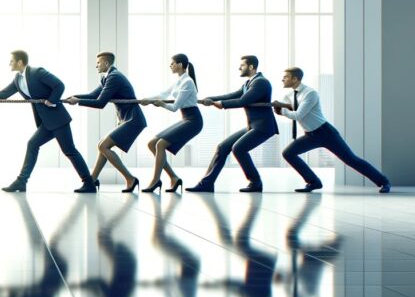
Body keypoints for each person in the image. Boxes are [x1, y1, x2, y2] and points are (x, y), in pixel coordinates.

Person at [0, 50, 96, 193]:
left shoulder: (37, 72)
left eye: (11, 61)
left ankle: (89, 183)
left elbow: (59, 85)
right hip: (46, 123)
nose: (9, 63)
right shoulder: (17, 79)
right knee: (32, 144)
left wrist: (51, 101)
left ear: (20, 62)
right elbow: (4, 94)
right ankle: (21, 182)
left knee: (69, 150)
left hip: (58, 120)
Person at [273, 67, 391, 193]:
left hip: (325, 133)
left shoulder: (310, 93)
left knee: (351, 160)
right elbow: (286, 108)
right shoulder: (289, 96)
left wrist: (283, 111)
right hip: (310, 135)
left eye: (285, 77)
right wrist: (278, 107)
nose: (282, 79)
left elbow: (298, 115)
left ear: (295, 79)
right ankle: (314, 182)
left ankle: (384, 182)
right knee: (288, 153)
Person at [188, 55, 278, 193]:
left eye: (242, 65)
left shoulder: (261, 83)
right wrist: (212, 99)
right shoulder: (249, 83)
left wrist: (221, 105)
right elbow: (233, 95)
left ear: (251, 67)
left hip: (263, 127)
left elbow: (242, 100)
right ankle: (207, 183)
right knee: (223, 147)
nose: (239, 68)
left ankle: (255, 182)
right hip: (253, 125)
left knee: (238, 148)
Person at [66, 51, 146, 192]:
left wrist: (78, 101)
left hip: (133, 119)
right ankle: (92, 181)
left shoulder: (114, 77)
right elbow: (92, 95)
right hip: (126, 118)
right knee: (102, 145)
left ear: (106, 63)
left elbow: (100, 102)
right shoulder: (107, 77)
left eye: (98, 63)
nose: (96, 66)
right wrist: (72, 97)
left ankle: (130, 179)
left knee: (103, 146)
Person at [141, 54, 202, 193]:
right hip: (185, 118)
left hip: (193, 120)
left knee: (160, 144)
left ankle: (155, 181)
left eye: (172, 63)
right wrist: (148, 100)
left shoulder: (188, 82)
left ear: (180, 65)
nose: (170, 66)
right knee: (152, 144)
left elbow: (174, 107)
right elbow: (163, 95)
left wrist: (161, 104)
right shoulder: (179, 80)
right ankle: (173, 178)